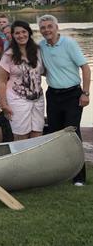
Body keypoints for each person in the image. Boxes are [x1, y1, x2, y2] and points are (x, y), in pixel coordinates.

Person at [38, 14, 90, 186]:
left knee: (72, 134)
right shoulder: (41, 46)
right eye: (43, 27)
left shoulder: (69, 43)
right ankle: (60, 173)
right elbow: (44, 69)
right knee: (55, 133)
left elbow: (85, 67)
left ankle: (79, 177)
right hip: (53, 95)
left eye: (49, 26)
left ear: (56, 27)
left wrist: (86, 93)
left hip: (72, 95)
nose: (46, 30)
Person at [0, 20, 45, 141]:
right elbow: (1, 81)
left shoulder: (38, 50)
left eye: (24, 32)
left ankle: (35, 159)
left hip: (38, 99)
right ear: (13, 35)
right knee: (21, 134)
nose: (21, 35)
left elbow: (44, 71)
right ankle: (22, 158)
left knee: (37, 132)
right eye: (17, 33)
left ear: (29, 33)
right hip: (17, 99)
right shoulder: (9, 55)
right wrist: (3, 104)